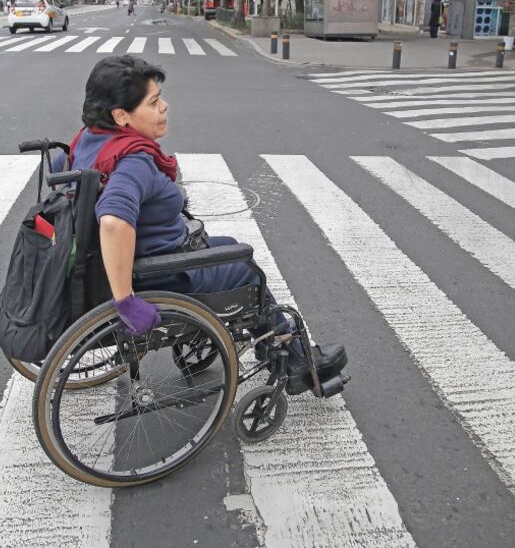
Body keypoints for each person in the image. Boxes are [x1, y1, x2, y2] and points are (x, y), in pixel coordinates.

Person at [56, 56, 347, 393]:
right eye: (153, 102)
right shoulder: (132, 162)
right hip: (163, 272)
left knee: (224, 243)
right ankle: (293, 357)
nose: (165, 106)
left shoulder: (88, 141)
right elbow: (113, 221)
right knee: (246, 267)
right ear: (121, 115)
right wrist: (126, 301)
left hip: (146, 257)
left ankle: (248, 341)